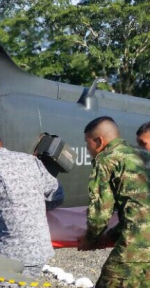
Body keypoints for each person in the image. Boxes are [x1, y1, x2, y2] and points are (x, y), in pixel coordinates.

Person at [0, 124, 63, 278]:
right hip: (40, 252)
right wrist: (32, 207)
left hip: (10, 254)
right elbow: (57, 195)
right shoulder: (31, 161)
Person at [78, 116, 150, 287]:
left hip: (136, 249)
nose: (88, 149)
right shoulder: (144, 156)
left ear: (98, 141)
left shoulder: (106, 160)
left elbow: (100, 213)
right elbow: (139, 209)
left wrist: (91, 239)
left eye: (87, 143)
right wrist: (110, 236)